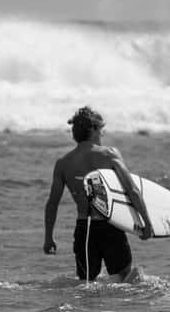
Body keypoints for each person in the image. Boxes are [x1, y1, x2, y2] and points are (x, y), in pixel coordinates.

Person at [43, 106, 153, 283]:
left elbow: (52, 203)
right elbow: (132, 190)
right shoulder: (109, 154)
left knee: (87, 283)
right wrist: (147, 223)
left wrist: (48, 237)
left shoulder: (63, 163)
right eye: (101, 130)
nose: (101, 135)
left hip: (83, 229)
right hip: (110, 226)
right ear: (93, 130)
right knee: (125, 281)